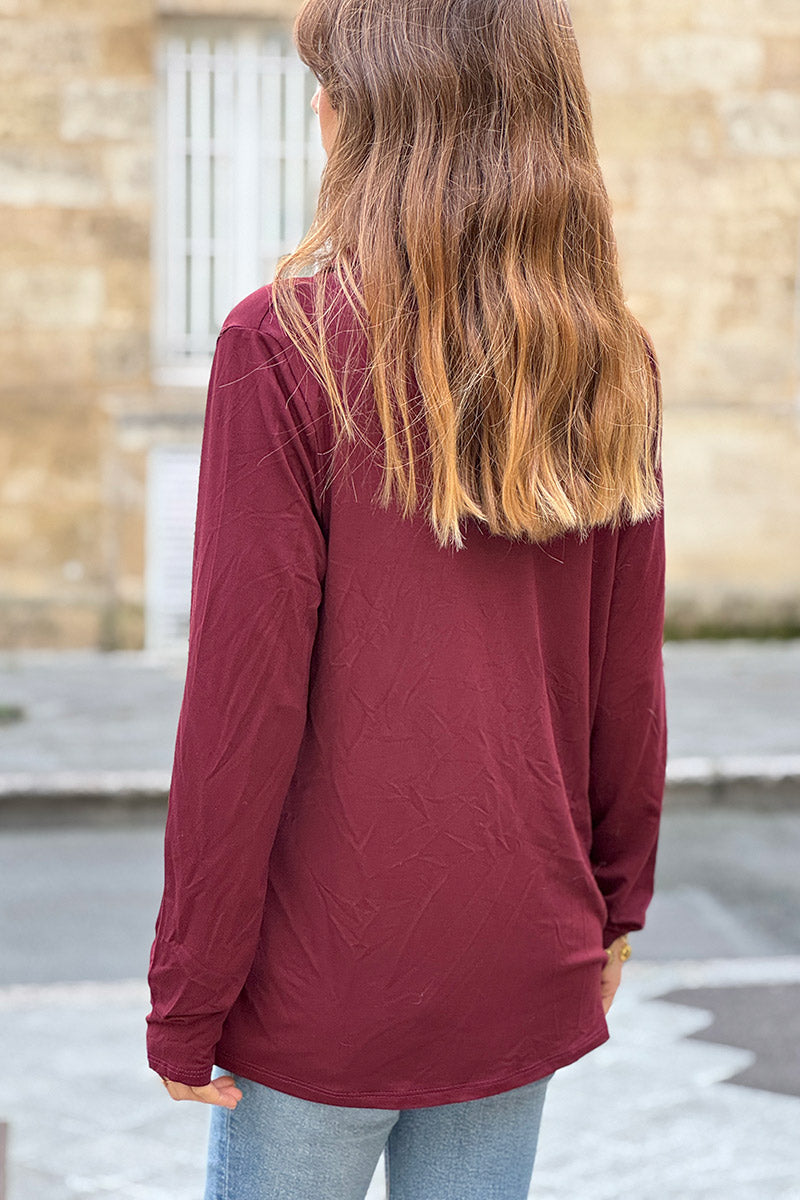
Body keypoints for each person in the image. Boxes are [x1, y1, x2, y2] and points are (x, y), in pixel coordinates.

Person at [146, 1, 667, 1197]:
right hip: (521, 946)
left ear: (358, 126)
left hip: (325, 984)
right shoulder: (608, 358)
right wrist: (613, 903)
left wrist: (187, 993)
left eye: (323, 87)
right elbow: (623, 675)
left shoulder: (285, 346)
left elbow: (240, 710)